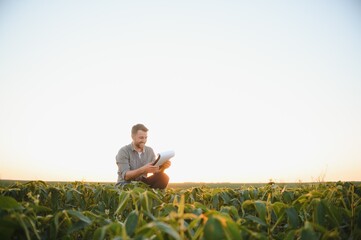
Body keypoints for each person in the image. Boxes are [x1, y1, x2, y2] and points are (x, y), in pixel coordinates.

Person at [115, 123, 171, 189]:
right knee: (128, 185)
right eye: (141, 138)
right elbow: (126, 176)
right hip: (125, 184)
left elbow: (155, 173)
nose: (144, 140)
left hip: (141, 183)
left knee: (163, 177)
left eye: (145, 137)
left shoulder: (149, 151)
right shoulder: (123, 151)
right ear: (133, 137)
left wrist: (163, 167)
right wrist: (143, 170)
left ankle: (152, 198)